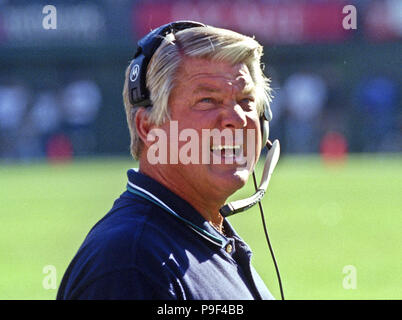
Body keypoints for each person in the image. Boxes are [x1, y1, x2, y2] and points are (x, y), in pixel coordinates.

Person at [57, 21, 275, 300]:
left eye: (246, 101)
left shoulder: (199, 236)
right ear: (148, 128)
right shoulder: (130, 266)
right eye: (208, 100)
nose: (236, 119)